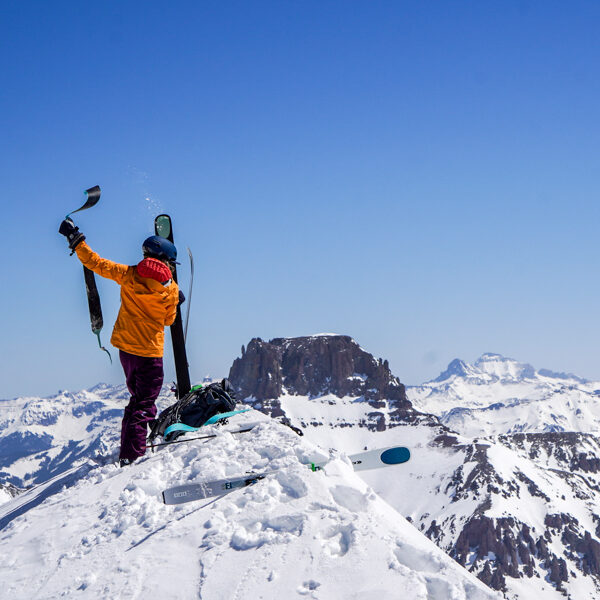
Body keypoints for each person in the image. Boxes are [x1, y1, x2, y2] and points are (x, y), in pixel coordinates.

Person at [59, 218, 181, 466]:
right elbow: (169, 320)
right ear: (166, 261)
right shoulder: (170, 291)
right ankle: (133, 455)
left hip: (126, 352)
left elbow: (96, 263)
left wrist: (76, 239)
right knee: (144, 405)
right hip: (149, 353)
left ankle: (129, 447)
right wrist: (176, 300)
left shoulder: (129, 275)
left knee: (136, 401)